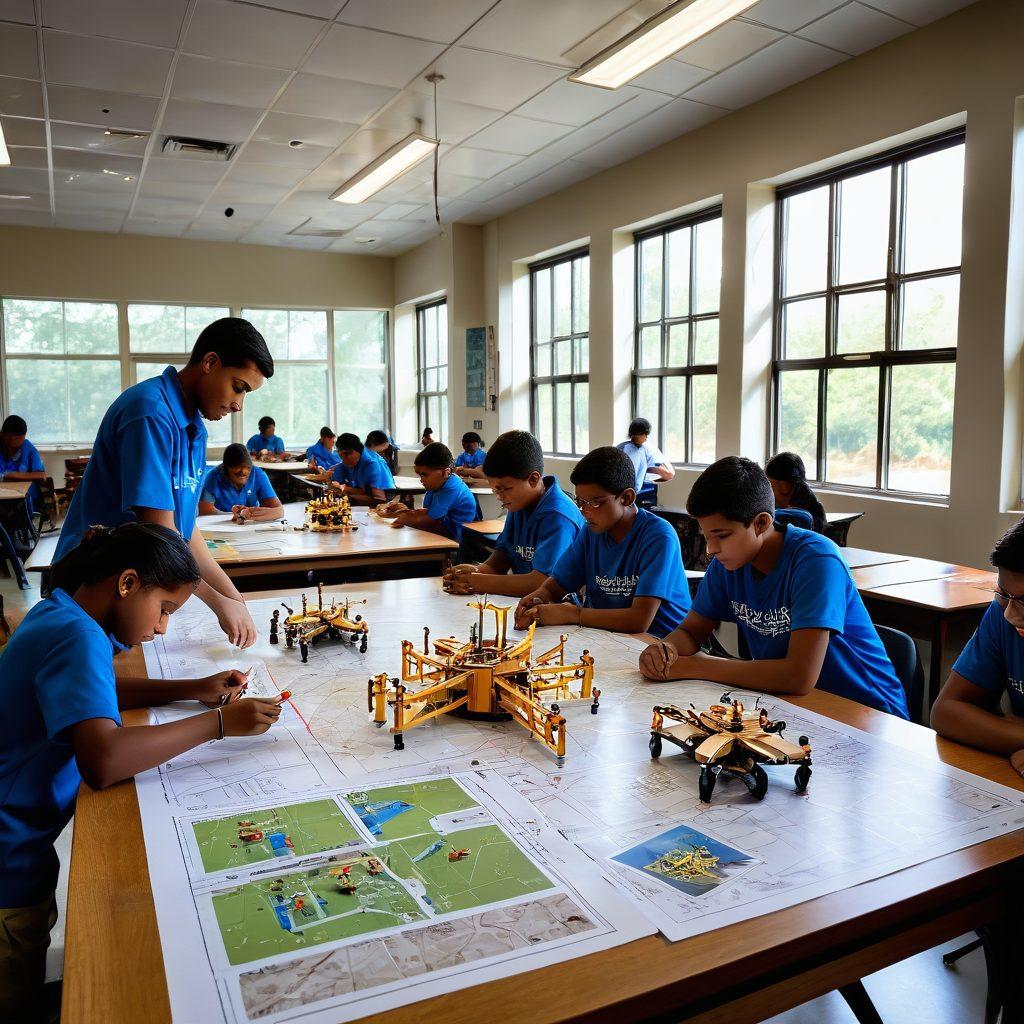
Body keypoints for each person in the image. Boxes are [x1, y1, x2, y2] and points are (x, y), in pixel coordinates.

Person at [0, 523, 282, 1022]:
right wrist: (218, 723)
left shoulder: (61, 612)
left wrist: (190, 687)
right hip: (8, 861)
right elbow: (103, 760)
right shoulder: (77, 635)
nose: (161, 628)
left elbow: (95, 694)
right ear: (128, 583)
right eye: (165, 610)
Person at [54, 317, 273, 649]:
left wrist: (233, 597)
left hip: (133, 587)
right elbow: (162, 538)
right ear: (211, 363)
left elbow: (186, 532)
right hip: (92, 587)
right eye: (239, 386)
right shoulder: (151, 413)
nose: (239, 405)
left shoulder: (194, 428)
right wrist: (217, 603)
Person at [638, 457, 908, 718]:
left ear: (761, 523)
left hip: (866, 712)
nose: (711, 549)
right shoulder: (729, 562)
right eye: (706, 536)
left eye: (721, 536)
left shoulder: (815, 561)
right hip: (792, 705)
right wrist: (666, 650)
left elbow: (798, 676)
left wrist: (696, 666)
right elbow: (691, 630)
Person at [514, 446, 690, 637]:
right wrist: (539, 596)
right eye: (580, 502)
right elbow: (557, 584)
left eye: (596, 502)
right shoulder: (591, 531)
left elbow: (639, 620)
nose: (585, 511)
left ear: (626, 497)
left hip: (659, 643)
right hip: (608, 637)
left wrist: (574, 613)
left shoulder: (658, 536)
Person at [932, 519, 1024, 777]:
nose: (1011, 615)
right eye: (1003, 593)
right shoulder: (1003, 610)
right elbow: (946, 713)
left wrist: (1004, 733)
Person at [444, 430, 584, 598]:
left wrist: (476, 581)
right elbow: (499, 562)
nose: (499, 496)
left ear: (533, 479)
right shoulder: (518, 504)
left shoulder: (558, 516)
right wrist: (474, 572)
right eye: (495, 489)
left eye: (505, 488)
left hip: (558, 610)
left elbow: (541, 583)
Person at [381, 442, 477, 541]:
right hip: (444, 527)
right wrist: (403, 511)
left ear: (446, 472)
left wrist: (402, 517)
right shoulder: (436, 485)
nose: (421, 480)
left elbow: (429, 519)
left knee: (405, 535)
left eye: (425, 474)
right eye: (419, 475)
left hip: (457, 537)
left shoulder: (451, 488)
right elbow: (427, 512)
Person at [199, 444, 283, 522]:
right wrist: (233, 515)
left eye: (247, 467)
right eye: (237, 467)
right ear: (225, 467)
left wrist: (250, 512)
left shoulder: (257, 474)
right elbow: (204, 510)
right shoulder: (213, 477)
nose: (243, 471)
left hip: (250, 524)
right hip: (221, 524)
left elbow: (278, 510)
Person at [319, 432, 394, 507]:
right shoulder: (347, 463)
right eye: (341, 455)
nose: (344, 460)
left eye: (347, 454)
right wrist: (339, 488)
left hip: (388, 499)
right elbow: (361, 490)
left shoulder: (371, 464)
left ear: (358, 450)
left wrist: (347, 497)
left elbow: (380, 500)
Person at [765, 452, 826, 533]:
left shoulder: (809, 514)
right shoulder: (765, 504)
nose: (773, 496)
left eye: (784, 492)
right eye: (770, 488)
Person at [616, 417, 674, 501]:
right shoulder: (622, 448)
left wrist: (653, 470)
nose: (646, 437)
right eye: (644, 434)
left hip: (636, 491)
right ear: (636, 433)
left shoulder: (644, 450)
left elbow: (668, 474)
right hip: (623, 490)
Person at [0, 415, 45, 518]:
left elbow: (40, 474)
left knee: (23, 505)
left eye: (18, 447)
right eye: (11, 445)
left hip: (21, 494)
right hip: (2, 494)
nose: (13, 450)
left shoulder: (28, 448)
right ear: (4, 436)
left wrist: (11, 475)